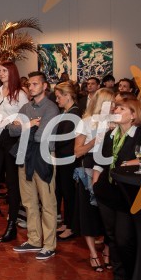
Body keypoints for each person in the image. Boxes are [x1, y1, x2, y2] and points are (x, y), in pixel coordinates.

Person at [92, 96, 141, 280]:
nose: (116, 110)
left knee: (123, 239)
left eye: (121, 108)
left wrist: (136, 163)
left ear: (134, 114)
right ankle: (120, 279)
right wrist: (95, 184)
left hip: (127, 194)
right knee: (111, 237)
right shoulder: (111, 134)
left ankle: (134, 279)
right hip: (107, 192)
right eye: (116, 108)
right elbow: (100, 161)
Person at [8, 72, 61, 258]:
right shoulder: (25, 107)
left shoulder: (51, 108)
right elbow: (11, 130)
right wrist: (29, 124)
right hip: (25, 155)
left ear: (45, 86)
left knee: (47, 202)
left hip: (44, 156)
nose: (31, 87)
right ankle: (34, 239)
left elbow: (41, 136)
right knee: (29, 201)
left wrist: (24, 125)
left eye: (35, 84)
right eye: (29, 84)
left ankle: (49, 244)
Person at [0, 61, 29, 240]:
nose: (1, 73)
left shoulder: (21, 94)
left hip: (12, 138)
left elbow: (25, 119)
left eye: (4, 71)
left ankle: (12, 225)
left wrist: (13, 122)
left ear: (12, 72)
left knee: (12, 183)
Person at [74, 88, 115, 271]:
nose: (115, 106)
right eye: (111, 102)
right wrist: (96, 141)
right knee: (88, 211)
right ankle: (92, 253)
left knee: (108, 213)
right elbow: (77, 152)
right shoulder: (86, 122)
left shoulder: (117, 121)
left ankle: (107, 250)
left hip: (110, 168)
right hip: (89, 165)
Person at [52, 81, 82, 241]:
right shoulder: (67, 112)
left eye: (58, 97)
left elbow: (66, 138)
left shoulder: (74, 113)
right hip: (62, 157)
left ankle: (71, 227)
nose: (57, 100)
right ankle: (67, 222)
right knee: (63, 191)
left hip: (68, 158)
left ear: (68, 96)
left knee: (69, 193)